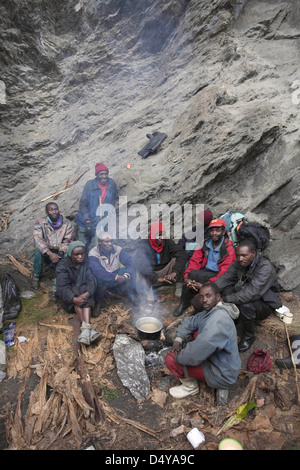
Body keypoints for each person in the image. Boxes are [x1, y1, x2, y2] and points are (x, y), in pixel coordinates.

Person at [165, 283, 241, 404]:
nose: (204, 300)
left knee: (171, 359)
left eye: (208, 296)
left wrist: (179, 357)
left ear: (218, 297)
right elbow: (189, 322)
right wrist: (178, 340)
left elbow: (194, 354)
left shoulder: (218, 320)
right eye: (201, 296)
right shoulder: (211, 311)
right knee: (195, 330)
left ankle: (190, 388)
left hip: (222, 373)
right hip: (222, 362)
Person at [214, 239, 282, 352]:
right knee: (225, 290)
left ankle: (249, 336)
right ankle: (232, 322)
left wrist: (224, 299)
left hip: (264, 302)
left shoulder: (265, 268)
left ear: (253, 254)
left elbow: (251, 294)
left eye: (244, 255)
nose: (240, 259)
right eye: (238, 255)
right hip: (247, 293)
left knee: (245, 305)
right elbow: (226, 278)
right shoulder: (240, 262)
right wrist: (211, 291)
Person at [173, 218, 236, 317]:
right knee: (192, 275)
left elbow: (224, 273)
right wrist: (186, 278)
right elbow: (194, 261)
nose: (214, 233)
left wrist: (204, 286)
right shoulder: (205, 243)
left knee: (200, 282)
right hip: (204, 271)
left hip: (217, 275)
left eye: (218, 230)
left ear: (224, 232)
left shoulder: (229, 249)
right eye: (212, 230)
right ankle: (183, 303)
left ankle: (199, 306)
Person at [55, 241, 101, 345]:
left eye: (82, 253)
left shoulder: (87, 262)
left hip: (84, 294)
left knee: (84, 291)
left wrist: (87, 294)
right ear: (70, 254)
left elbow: (92, 280)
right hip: (70, 298)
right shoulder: (62, 266)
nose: (80, 256)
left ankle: (85, 330)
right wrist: (74, 299)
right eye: (76, 254)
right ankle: (89, 329)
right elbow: (62, 287)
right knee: (76, 291)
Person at [135, 221, 188, 306]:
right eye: (159, 235)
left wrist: (174, 272)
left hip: (165, 270)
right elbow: (141, 265)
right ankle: (150, 297)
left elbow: (182, 254)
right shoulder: (143, 244)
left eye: (163, 234)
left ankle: (178, 289)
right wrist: (156, 278)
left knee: (177, 260)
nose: (162, 237)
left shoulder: (167, 242)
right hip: (151, 273)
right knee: (140, 271)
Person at [89, 233, 139, 316]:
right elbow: (97, 270)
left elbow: (130, 261)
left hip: (116, 276)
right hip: (104, 280)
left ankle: (131, 294)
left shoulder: (117, 249)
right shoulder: (93, 253)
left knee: (131, 270)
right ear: (99, 241)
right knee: (97, 278)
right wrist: (115, 277)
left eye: (111, 241)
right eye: (107, 242)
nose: (110, 244)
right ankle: (98, 302)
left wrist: (126, 275)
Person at [74, 163, 118, 250]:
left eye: (106, 174)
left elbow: (112, 201)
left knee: (95, 246)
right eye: (101, 174)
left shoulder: (111, 184)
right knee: (82, 246)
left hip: (99, 222)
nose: (104, 176)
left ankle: (92, 261)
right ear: (97, 175)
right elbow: (83, 204)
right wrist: (87, 220)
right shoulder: (89, 185)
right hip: (85, 220)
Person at [32, 202, 74, 289]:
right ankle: (36, 276)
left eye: (56, 209)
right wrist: (49, 253)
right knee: (37, 252)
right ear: (47, 212)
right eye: (51, 210)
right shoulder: (40, 222)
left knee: (69, 255)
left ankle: (57, 282)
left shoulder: (67, 223)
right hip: (47, 251)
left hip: (60, 250)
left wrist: (60, 253)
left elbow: (68, 240)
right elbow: (37, 239)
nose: (54, 212)